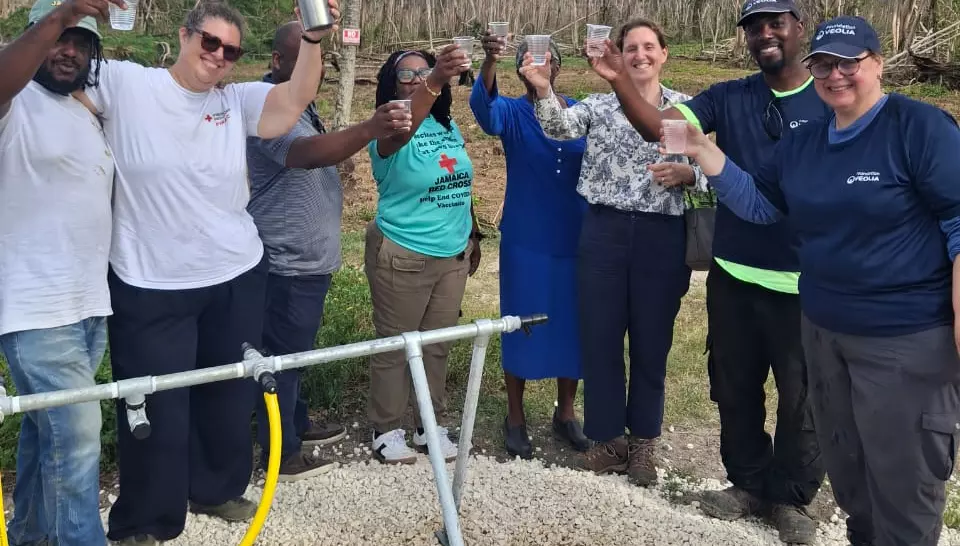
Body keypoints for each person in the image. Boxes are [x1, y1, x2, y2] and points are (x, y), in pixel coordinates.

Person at [673, 15, 960, 546]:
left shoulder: (916, 127)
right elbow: (760, 206)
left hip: (904, 339)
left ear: (877, 63)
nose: (835, 75)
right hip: (823, 330)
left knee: (904, 483)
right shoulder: (805, 145)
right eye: (824, 65)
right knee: (851, 474)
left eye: (849, 62)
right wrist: (704, 153)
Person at [78, 0, 340, 543]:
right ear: (184, 35)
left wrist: (315, 39)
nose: (219, 57)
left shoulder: (235, 100)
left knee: (228, 393)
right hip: (150, 281)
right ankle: (146, 521)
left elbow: (294, 99)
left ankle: (216, 489)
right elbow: (63, 76)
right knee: (151, 405)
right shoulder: (129, 84)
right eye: (210, 43)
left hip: (236, 273)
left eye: (232, 51)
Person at [588, 1, 828, 540]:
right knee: (733, 385)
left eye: (776, 23)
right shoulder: (728, 96)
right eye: (754, 26)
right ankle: (745, 482)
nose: (765, 34)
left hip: (805, 280)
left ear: (798, 28)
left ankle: (790, 498)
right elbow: (661, 128)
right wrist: (619, 79)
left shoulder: (830, 93)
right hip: (735, 273)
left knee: (803, 397)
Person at [521, 19, 707, 487]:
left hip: (661, 237)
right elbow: (560, 130)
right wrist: (543, 89)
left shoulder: (683, 111)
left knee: (651, 342)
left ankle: (643, 443)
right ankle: (608, 440)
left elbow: (712, 170)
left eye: (649, 47)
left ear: (665, 53)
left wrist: (688, 177)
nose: (640, 55)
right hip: (602, 231)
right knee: (601, 339)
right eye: (631, 48)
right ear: (619, 56)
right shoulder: (601, 106)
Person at [247, 21, 411, 481]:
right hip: (285, 259)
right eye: (300, 58)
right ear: (277, 61)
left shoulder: (298, 101)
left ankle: (295, 424)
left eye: (315, 60)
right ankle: (283, 452)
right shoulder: (265, 105)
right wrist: (367, 129)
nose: (310, 69)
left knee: (294, 354)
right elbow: (306, 153)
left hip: (307, 257)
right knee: (280, 358)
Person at [0, 0, 117, 543]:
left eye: (81, 42)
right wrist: (59, 13)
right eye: (58, 38)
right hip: (35, 309)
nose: (69, 50)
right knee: (78, 434)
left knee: (46, 436)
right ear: (34, 38)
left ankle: (28, 536)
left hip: (87, 306)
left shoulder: (83, 111)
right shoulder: (14, 102)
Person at [468, 32, 591, 459]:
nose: (536, 64)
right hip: (526, 239)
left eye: (543, 59)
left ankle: (566, 412)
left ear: (557, 67)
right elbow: (484, 111)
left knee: (572, 324)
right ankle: (515, 415)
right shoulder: (514, 113)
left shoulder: (577, 112)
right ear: (518, 70)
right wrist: (488, 61)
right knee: (520, 323)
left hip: (576, 237)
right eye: (526, 60)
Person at [366, 45, 479, 464]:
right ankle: (386, 427)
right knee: (397, 345)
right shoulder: (387, 129)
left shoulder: (447, 126)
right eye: (406, 75)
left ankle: (426, 424)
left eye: (424, 72)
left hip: (452, 256)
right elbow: (403, 132)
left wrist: (474, 234)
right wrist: (436, 79)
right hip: (405, 252)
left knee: (436, 346)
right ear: (390, 85)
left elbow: (460, 180)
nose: (415, 79)